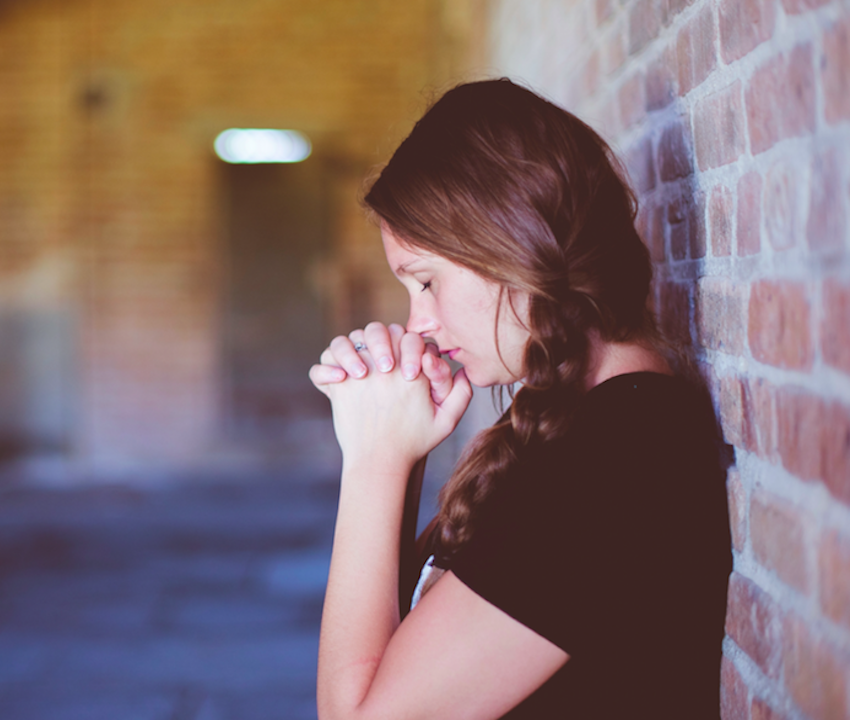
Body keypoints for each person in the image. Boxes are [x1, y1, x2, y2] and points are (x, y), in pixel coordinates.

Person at [308, 78, 732, 719]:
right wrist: (404, 447)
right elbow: (397, 652)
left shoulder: (620, 459)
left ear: (512, 247)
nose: (419, 323)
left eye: (426, 282)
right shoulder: (582, 427)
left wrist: (374, 462)